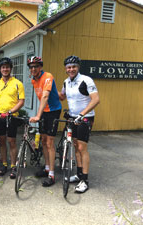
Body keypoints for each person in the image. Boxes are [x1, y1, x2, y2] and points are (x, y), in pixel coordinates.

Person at [58, 55, 100, 193]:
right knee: (76, 147)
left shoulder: (86, 80)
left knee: (82, 148)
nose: (71, 69)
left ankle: (85, 181)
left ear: (78, 67)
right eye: (69, 67)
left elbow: (95, 100)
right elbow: (62, 96)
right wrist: (48, 89)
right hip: (72, 117)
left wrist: (82, 114)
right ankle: (79, 174)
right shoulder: (66, 82)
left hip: (85, 118)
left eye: (74, 66)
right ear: (65, 69)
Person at [28, 56, 62, 187]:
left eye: (36, 66)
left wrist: (37, 115)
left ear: (40, 67)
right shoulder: (33, 81)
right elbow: (46, 93)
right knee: (43, 140)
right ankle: (47, 167)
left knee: (49, 142)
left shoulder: (47, 76)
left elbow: (45, 95)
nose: (33, 69)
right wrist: (59, 94)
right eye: (31, 67)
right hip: (44, 112)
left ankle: (52, 175)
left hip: (53, 111)